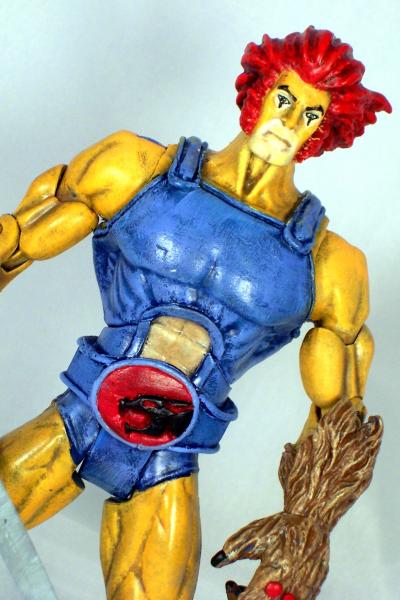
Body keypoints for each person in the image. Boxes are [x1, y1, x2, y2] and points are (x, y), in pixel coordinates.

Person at [0, 26, 391, 600]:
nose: (289, 122)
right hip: (77, 415)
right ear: (259, 91)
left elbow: (338, 421)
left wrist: (303, 530)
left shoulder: (330, 266)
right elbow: (15, 243)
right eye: (284, 99)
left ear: (322, 131)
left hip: (168, 460)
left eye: (310, 114)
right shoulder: (135, 170)